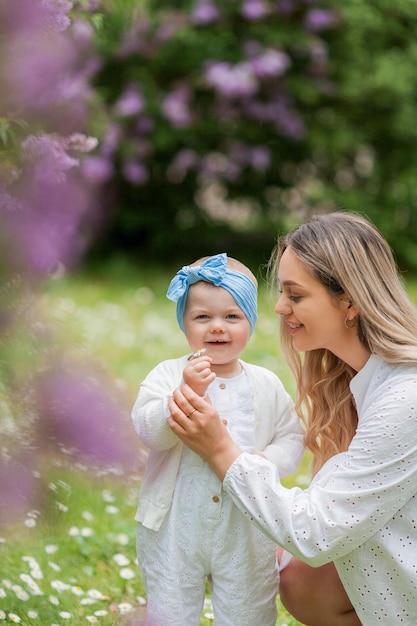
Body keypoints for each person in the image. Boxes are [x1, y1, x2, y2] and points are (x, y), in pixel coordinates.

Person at [168, 212, 417, 626]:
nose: (280, 307)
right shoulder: (358, 382)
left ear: (350, 302)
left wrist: (220, 449)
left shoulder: (406, 396)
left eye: (296, 295)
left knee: (305, 557)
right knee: (302, 580)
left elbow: (316, 531)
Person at [131, 252, 305, 626]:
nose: (217, 327)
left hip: (246, 528)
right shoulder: (168, 375)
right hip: (175, 527)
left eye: (231, 317)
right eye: (202, 317)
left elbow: (291, 439)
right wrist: (184, 391)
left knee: (249, 610)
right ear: (184, 324)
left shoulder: (266, 385)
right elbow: (149, 431)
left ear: (250, 323)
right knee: (170, 608)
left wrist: (264, 462)